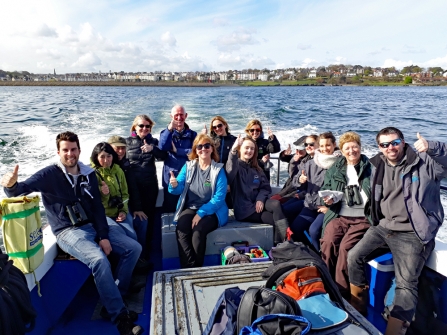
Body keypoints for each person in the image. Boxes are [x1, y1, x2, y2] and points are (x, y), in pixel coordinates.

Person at [1, 131, 143, 335]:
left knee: (134, 248)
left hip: (93, 224)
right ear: (58, 152)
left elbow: (97, 207)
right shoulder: (49, 174)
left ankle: (113, 299)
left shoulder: (88, 174)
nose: (70, 154)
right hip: (68, 231)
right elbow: (19, 190)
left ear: (79, 150)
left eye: (73, 149)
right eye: (65, 150)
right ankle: (120, 317)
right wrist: (11, 184)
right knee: (99, 260)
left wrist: (103, 235)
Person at [347, 128, 447, 334]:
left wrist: (433, 147)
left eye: (395, 142)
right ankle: (358, 309)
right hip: (384, 227)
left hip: (413, 233)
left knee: (406, 284)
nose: (390, 148)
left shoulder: (424, 161)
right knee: (353, 256)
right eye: (384, 145)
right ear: (379, 148)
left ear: (403, 142)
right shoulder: (378, 164)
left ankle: (393, 331)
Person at [318, 131, 372, 299]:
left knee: (345, 248)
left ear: (360, 147)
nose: (351, 151)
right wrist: (328, 199)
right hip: (340, 215)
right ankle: (325, 284)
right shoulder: (336, 168)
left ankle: (341, 293)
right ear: (341, 151)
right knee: (328, 241)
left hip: (363, 218)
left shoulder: (370, 166)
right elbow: (326, 186)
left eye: (354, 146)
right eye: (347, 148)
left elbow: (377, 192)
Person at [168, 134, 228, 268]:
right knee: (181, 228)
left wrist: (201, 213)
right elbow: (178, 189)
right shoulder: (188, 167)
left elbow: (219, 199)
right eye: (199, 146)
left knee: (198, 230)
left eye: (207, 146)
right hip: (192, 207)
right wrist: (174, 185)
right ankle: (189, 268)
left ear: (212, 149)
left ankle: (196, 268)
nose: (203, 149)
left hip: (214, 210)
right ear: (195, 150)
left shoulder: (218, 170)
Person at [226, 135, 289, 244]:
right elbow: (229, 172)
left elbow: (265, 187)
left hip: (258, 204)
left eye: (252, 148)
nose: (249, 151)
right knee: (275, 219)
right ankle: (284, 243)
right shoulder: (236, 167)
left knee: (276, 205)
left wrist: (260, 199)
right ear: (240, 149)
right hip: (245, 210)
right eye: (246, 148)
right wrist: (233, 150)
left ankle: (281, 243)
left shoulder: (256, 168)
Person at [291, 132, 341, 249]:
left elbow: (342, 189)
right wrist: (300, 180)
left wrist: (329, 207)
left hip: (328, 208)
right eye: (322, 146)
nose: (325, 149)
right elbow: (295, 182)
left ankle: (322, 259)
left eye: (328, 145)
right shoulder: (309, 164)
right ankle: (310, 253)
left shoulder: (340, 164)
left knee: (314, 231)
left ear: (334, 145)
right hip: (310, 205)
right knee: (295, 228)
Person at [125, 115, 166, 249]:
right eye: (141, 126)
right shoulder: (126, 143)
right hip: (132, 187)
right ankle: (134, 248)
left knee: (149, 218)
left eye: (147, 126)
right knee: (133, 219)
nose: (144, 128)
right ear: (134, 127)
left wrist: (152, 149)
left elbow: (164, 156)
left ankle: (146, 249)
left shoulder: (153, 141)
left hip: (149, 186)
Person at [108, 135, 149, 256]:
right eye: (117, 148)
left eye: (123, 148)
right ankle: (132, 256)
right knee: (129, 229)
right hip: (111, 209)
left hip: (125, 205)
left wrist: (137, 208)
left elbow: (132, 188)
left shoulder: (126, 165)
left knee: (142, 221)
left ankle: (141, 254)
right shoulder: (103, 166)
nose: (120, 151)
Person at [91, 142, 137, 241]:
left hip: (119, 210)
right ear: (96, 157)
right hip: (104, 214)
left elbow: (125, 194)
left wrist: (123, 211)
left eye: (109, 156)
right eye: (102, 157)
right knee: (121, 236)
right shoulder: (92, 174)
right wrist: (103, 193)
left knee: (132, 235)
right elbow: (91, 201)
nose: (106, 160)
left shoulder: (118, 170)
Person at [159, 105, 197, 213]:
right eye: (176, 115)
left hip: (188, 178)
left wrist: (177, 151)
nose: (179, 118)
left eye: (181, 115)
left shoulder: (193, 135)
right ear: (171, 116)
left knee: (187, 210)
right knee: (171, 208)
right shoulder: (165, 133)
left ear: (186, 116)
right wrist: (169, 129)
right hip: (171, 178)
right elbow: (162, 147)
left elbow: (195, 153)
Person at [278, 135, 318, 223]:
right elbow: (284, 158)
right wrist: (286, 155)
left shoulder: (311, 161)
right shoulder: (300, 157)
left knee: (281, 208)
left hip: (304, 195)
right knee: (278, 205)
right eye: (306, 145)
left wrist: (301, 193)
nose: (308, 147)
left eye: (311, 144)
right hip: (295, 189)